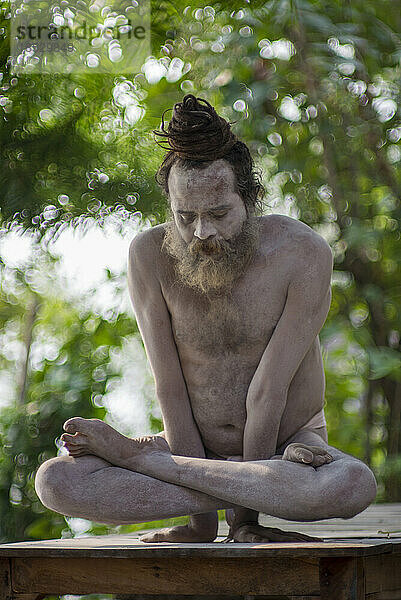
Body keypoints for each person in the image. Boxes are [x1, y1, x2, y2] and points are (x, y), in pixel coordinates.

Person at [35, 94, 377, 544]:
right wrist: (206, 523)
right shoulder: (148, 255)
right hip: (189, 452)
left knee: (352, 484)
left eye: (218, 214)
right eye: (185, 217)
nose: (202, 232)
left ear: (250, 199)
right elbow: (170, 387)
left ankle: (150, 463)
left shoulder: (302, 253)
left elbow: (267, 393)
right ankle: (205, 482)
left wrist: (246, 521)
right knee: (54, 482)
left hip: (289, 449)